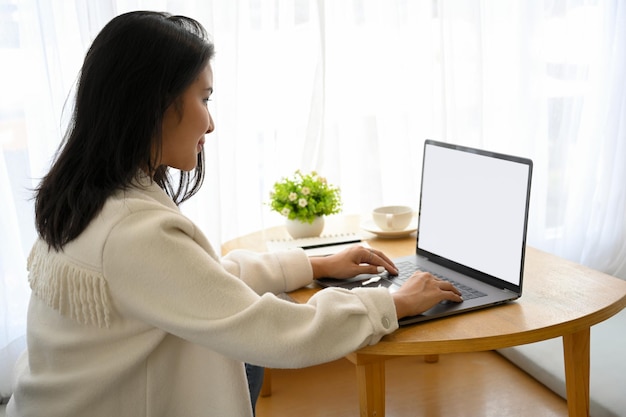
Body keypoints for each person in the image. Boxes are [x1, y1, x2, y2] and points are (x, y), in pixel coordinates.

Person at [6, 11, 462, 417]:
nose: (210, 122)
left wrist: (314, 264)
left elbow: (198, 279)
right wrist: (391, 303)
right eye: (204, 99)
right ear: (155, 105)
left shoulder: (87, 194)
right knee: (256, 339)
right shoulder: (132, 230)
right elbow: (272, 330)